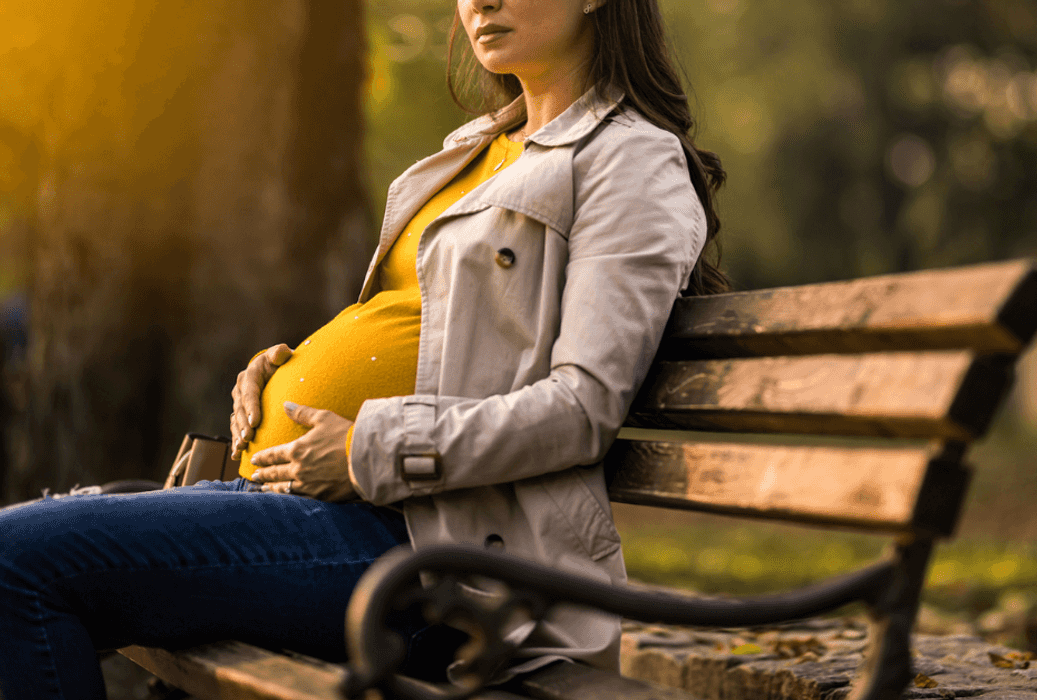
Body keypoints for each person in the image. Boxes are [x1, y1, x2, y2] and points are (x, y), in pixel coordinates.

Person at [0, 0, 728, 696]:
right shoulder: (476, 148)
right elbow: (420, 328)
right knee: (40, 545)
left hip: (430, 551)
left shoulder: (630, 161)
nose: (483, 2)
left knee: (17, 562)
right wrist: (290, 374)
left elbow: (581, 408)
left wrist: (366, 449)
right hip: (309, 506)